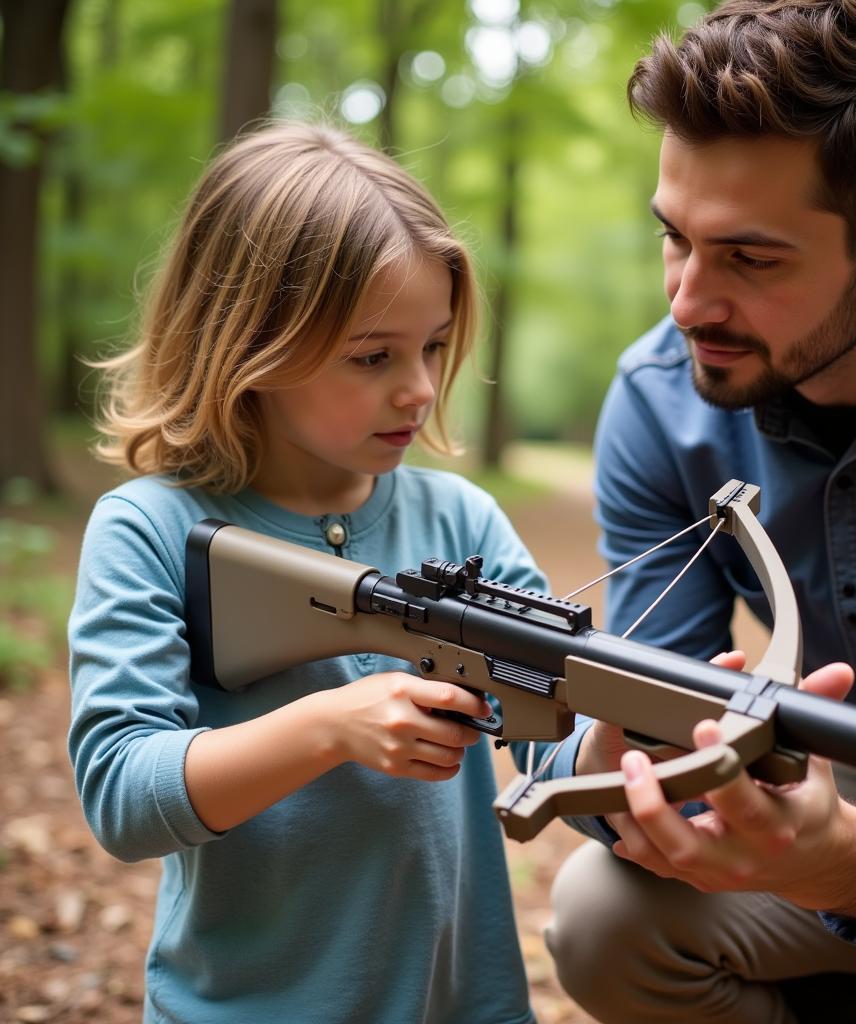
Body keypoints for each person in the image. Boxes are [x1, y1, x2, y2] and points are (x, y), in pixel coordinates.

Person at [539, 1, 856, 1022]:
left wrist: (847, 860)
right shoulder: (659, 398)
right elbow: (651, 706)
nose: (686, 303)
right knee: (600, 917)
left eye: (749, 259)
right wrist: (612, 754)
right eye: (675, 240)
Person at [67, 121, 542, 1024]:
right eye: (374, 357)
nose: (419, 389)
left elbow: (554, 719)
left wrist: (649, 734)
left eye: (434, 346)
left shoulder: (462, 517)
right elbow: (122, 792)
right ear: (249, 342)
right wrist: (328, 725)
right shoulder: (150, 527)